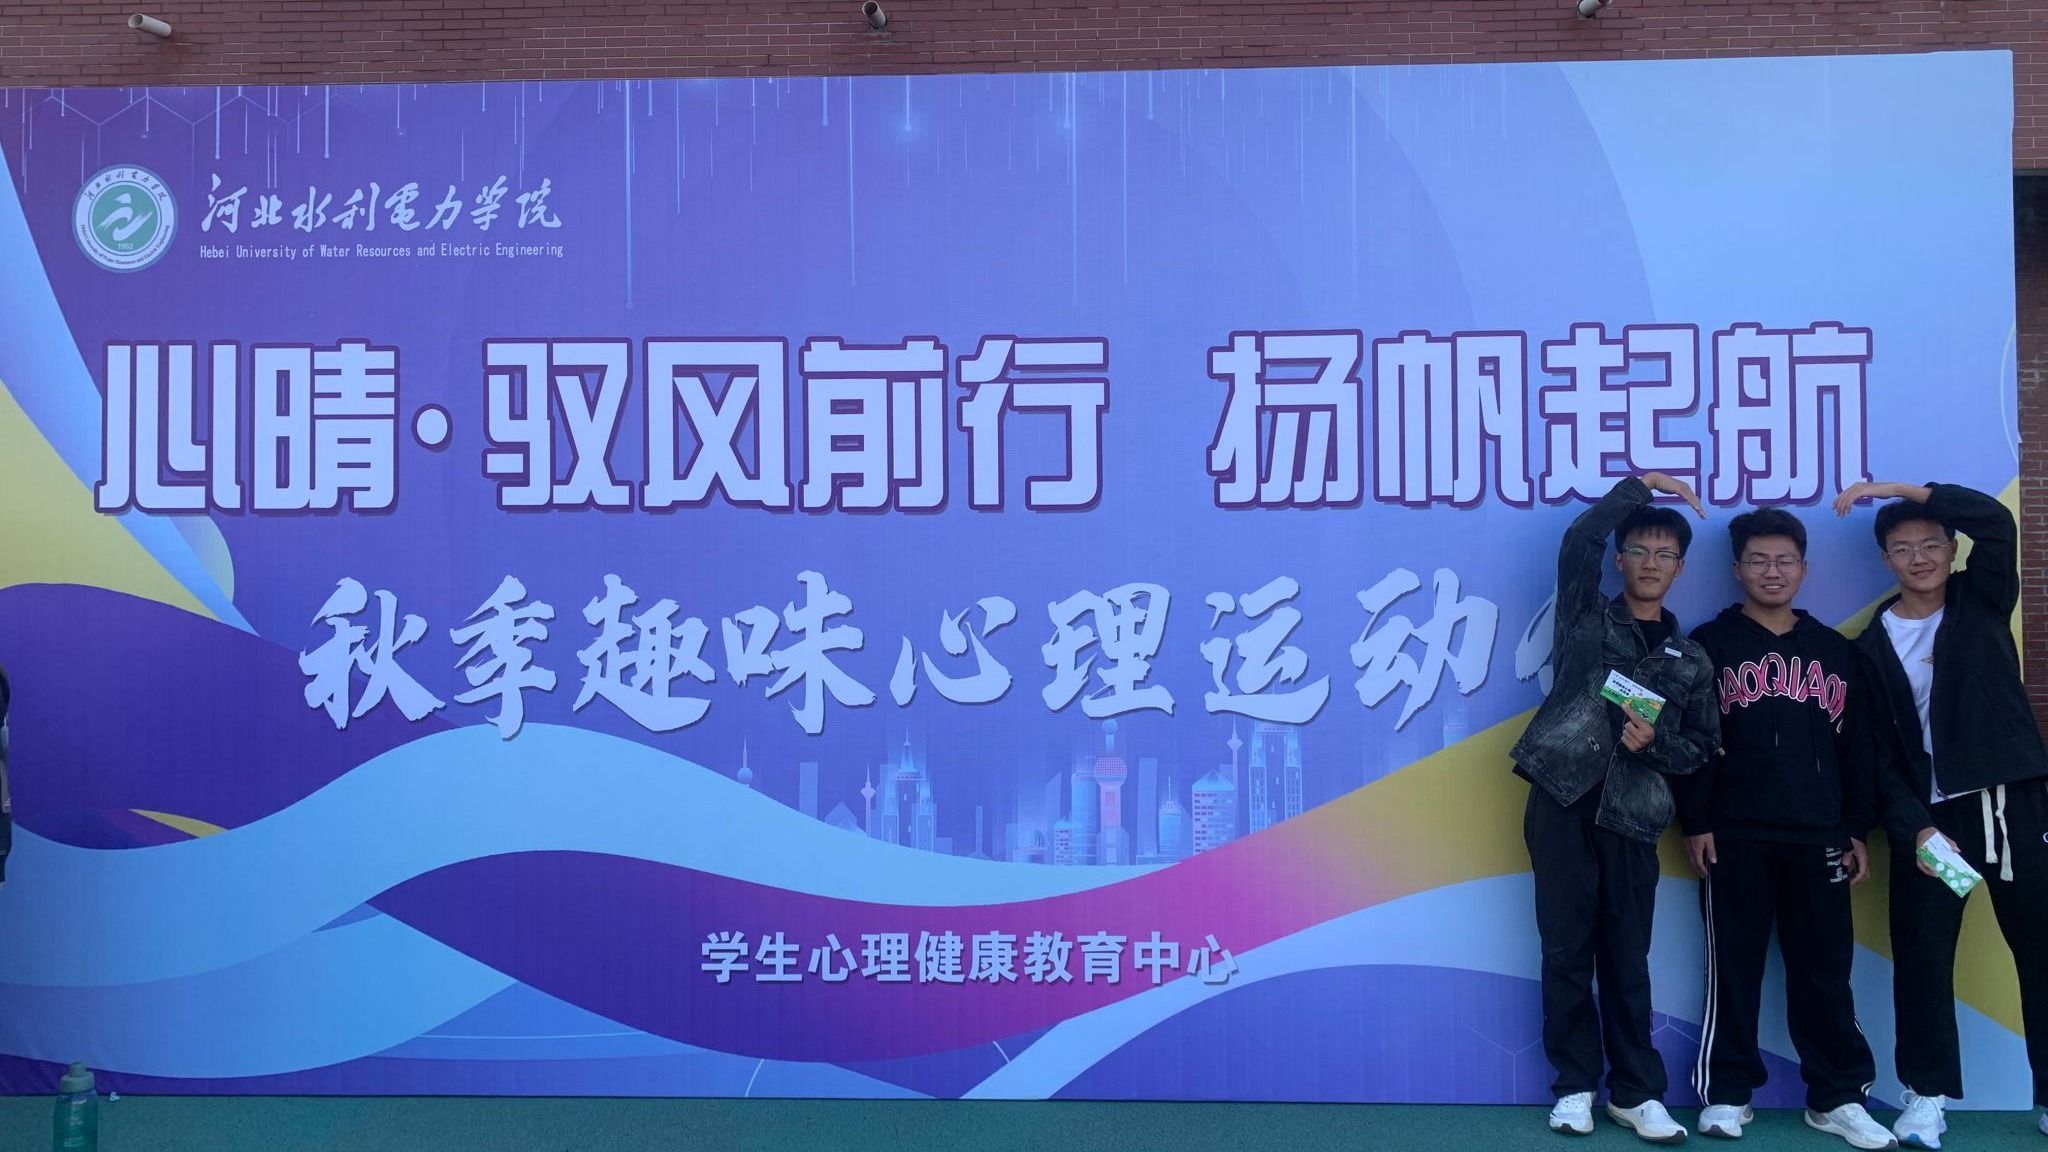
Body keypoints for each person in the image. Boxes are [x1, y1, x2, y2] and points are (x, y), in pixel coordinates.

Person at [1834, 481, 2048, 1149]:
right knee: (1923, 958)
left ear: (1951, 549)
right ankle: (1926, 1098)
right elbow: (1876, 753)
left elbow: (1994, 521)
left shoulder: (1981, 599)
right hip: (1929, 821)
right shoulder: (1870, 646)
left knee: (2040, 948)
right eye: (1902, 548)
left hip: (2007, 805)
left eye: (1930, 544)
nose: (1919, 558)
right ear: (1885, 560)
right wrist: (1914, 826)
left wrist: (1898, 491)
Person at [1674, 509, 1895, 1149]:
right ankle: (1727, 1092)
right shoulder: (1709, 644)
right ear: (1736, 568)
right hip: (1733, 835)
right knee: (1733, 968)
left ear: (1803, 568)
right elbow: (1691, 739)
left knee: (1825, 972)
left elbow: (1859, 749)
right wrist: (1697, 819)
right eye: (1758, 561)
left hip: (1819, 834)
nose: (1772, 572)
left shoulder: (1836, 650)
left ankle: (1837, 1097)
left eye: (1784, 561)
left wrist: (1857, 827)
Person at [1511, 472, 1720, 1143]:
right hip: (1562, 798)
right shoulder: (1585, 616)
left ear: (1680, 568)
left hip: (1634, 815)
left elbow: (1703, 749)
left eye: (1665, 554)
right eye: (1639, 550)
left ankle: (1636, 1092)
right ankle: (1575, 1086)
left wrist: (1657, 745)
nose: (1651, 563)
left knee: (1628, 959)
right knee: (1566, 950)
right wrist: (1641, 485)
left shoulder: (1691, 659)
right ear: (1620, 559)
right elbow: (1578, 541)